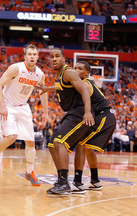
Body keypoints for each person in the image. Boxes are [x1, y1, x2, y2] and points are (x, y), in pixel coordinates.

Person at [0, 44, 48, 186]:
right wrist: (2, 106)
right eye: (29, 54)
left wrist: (46, 112)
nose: (32, 56)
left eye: (34, 54)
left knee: (30, 141)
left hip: (23, 107)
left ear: (38, 57)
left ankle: (30, 172)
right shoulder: (16, 68)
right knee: (12, 136)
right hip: (7, 105)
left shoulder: (40, 74)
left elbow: (43, 92)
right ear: (25, 56)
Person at [37, 48, 95, 195]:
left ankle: (64, 183)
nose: (54, 59)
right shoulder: (59, 75)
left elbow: (84, 91)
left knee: (58, 141)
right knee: (51, 143)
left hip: (81, 113)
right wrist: (47, 88)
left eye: (57, 56)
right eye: (51, 57)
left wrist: (87, 112)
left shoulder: (69, 72)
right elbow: (60, 86)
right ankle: (61, 179)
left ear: (64, 59)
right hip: (73, 113)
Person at [71, 61, 116, 193]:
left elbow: (65, 88)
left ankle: (78, 182)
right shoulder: (86, 83)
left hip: (104, 117)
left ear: (87, 73)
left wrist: (50, 88)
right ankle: (95, 181)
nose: (77, 70)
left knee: (80, 144)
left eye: (80, 69)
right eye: (76, 68)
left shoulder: (85, 83)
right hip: (104, 117)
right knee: (87, 148)